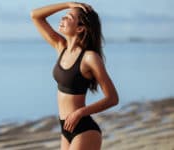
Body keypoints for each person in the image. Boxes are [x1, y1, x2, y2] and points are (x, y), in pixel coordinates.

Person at [30, 2, 119, 150]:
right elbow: (35, 15)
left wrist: (80, 112)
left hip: (84, 129)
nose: (62, 19)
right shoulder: (60, 47)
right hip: (66, 128)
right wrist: (67, 4)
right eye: (63, 16)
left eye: (68, 17)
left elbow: (112, 98)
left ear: (80, 28)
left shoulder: (90, 58)